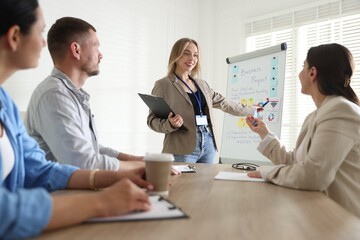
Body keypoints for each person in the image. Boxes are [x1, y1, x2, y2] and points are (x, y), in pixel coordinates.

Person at [0, 1, 153, 238]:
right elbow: (5, 211)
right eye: (40, 32)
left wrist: (123, 172)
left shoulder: (5, 104)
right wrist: (101, 202)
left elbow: (40, 171)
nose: (44, 42)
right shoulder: (53, 94)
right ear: (14, 36)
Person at [246, 43, 360, 217]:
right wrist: (264, 133)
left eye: (303, 67)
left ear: (312, 72)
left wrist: (268, 173)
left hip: (340, 219)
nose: (300, 74)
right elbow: (296, 163)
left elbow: (313, 175)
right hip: (318, 212)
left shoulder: (340, 110)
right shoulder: (318, 114)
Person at [25, 16, 143, 171]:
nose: (101, 55)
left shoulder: (70, 93)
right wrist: (140, 168)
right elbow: (83, 163)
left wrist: (134, 159)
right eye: (96, 47)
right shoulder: (54, 95)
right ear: (76, 50)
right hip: (60, 194)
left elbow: (90, 150)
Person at [147, 38, 258, 164]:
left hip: (209, 145)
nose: (192, 59)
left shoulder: (202, 84)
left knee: (207, 183)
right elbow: (152, 120)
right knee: (183, 184)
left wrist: (252, 110)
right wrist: (170, 124)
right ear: (176, 55)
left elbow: (224, 103)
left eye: (195, 55)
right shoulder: (163, 85)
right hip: (181, 148)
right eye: (186, 53)